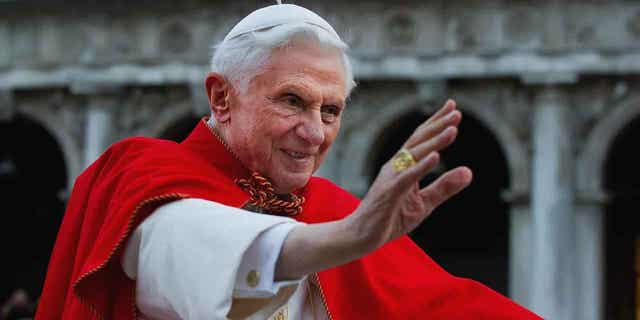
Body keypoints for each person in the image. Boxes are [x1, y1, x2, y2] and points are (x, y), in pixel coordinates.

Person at [36, 3, 541, 320]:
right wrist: (351, 235)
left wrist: (352, 228)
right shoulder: (144, 174)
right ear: (221, 98)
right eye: (293, 101)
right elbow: (188, 247)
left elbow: (448, 308)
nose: (314, 132)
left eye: (331, 110)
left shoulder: (334, 209)